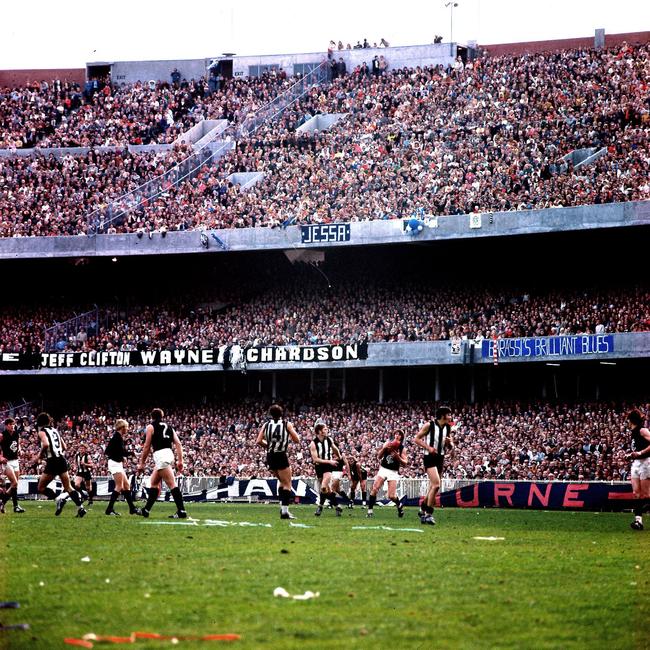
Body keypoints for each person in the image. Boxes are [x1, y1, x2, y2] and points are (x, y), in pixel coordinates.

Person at [31, 413, 86, 518]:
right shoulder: (55, 430)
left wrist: (39, 456)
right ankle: (80, 507)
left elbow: (46, 444)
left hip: (53, 461)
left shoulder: (42, 432)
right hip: (61, 459)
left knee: (41, 487)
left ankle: (58, 499)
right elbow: (64, 447)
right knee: (68, 487)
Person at [136, 408, 187, 519]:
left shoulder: (150, 427)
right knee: (154, 482)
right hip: (168, 453)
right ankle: (146, 510)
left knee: (172, 484)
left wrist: (142, 463)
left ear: (152, 416)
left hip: (160, 455)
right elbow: (178, 443)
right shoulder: (169, 427)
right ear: (162, 416)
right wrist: (180, 460)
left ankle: (181, 511)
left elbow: (147, 446)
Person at [256, 404, 300, 520]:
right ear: (282, 414)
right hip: (281, 454)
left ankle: (282, 509)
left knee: (281, 482)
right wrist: (285, 441)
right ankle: (285, 512)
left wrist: (270, 445)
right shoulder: (286, 424)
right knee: (287, 484)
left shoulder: (266, 425)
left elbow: (259, 441)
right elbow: (297, 440)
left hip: (270, 455)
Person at [414, 406, 454, 526]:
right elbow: (416, 439)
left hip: (440, 458)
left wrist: (450, 444)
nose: (451, 417)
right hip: (429, 457)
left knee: (433, 487)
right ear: (443, 415)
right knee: (436, 485)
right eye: (449, 415)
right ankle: (428, 514)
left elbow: (450, 443)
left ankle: (422, 509)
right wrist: (428, 448)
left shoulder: (448, 427)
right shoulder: (429, 425)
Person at [367, 430, 407, 518]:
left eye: (399, 434)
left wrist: (398, 458)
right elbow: (379, 456)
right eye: (396, 433)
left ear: (402, 437)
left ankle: (399, 505)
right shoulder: (388, 443)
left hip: (393, 472)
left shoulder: (402, 448)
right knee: (375, 488)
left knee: (391, 496)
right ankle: (370, 511)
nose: (397, 435)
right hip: (384, 468)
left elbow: (405, 463)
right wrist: (384, 448)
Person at [104, 419, 140, 516]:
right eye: (126, 427)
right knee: (119, 486)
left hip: (117, 463)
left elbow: (109, 451)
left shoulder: (117, 437)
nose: (127, 429)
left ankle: (132, 508)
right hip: (115, 464)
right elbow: (119, 452)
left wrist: (120, 457)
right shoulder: (117, 438)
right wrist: (131, 453)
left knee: (126, 485)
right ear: (122, 427)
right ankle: (109, 509)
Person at [309, 422, 342, 517]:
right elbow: (315, 459)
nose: (327, 430)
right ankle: (337, 505)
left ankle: (320, 506)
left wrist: (339, 456)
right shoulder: (313, 443)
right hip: (319, 466)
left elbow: (335, 449)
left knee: (323, 487)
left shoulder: (329, 440)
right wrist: (329, 461)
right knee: (325, 489)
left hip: (328, 467)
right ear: (320, 432)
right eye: (325, 429)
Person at [626, 409, 650, 531]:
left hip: (646, 462)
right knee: (636, 494)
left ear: (631, 420)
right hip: (636, 463)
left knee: (646, 495)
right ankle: (638, 521)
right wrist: (631, 455)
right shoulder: (633, 431)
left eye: (628, 419)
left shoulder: (642, 430)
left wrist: (640, 452)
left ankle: (638, 520)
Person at [54, 442, 95, 513]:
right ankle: (83, 494)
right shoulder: (77, 456)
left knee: (89, 488)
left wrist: (85, 464)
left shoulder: (87, 456)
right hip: (79, 472)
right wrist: (74, 467)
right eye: (80, 448)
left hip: (86, 472)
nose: (81, 449)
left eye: (83, 448)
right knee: (76, 485)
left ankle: (90, 500)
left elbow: (92, 465)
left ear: (85, 449)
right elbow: (76, 464)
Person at [0, 418, 25, 513]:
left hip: (15, 460)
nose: (12, 426)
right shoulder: (2, 435)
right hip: (7, 462)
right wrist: (1, 457)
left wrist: (20, 449)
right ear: (6, 425)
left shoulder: (16, 433)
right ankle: (14, 506)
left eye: (13, 424)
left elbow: (17, 444)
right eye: (10, 424)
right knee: (14, 483)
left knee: (14, 485)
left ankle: (5, 504)